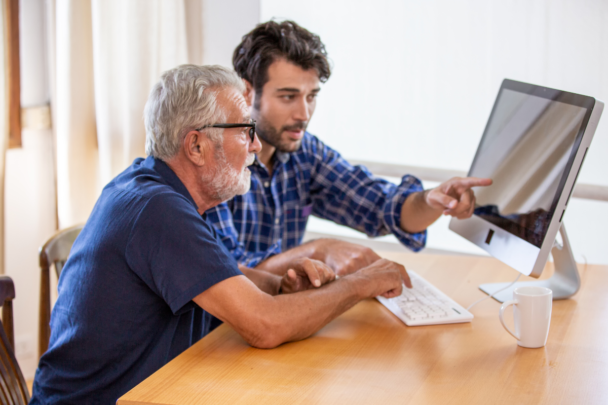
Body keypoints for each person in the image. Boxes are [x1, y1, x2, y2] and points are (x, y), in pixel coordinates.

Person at [30, 65, 411, 404]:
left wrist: (278, 285)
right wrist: (360, 284)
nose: (257, 145)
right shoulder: (158, 210)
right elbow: (266, 326)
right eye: (246, 131)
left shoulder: (156, 190)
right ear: (196, 145)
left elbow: (215, 277)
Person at [205, 20, 491, 276]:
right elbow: (230, 274)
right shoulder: (213, 163)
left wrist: (431, 200)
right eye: (288, 96)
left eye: (311, 96)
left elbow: (382, 207)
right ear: (246, 92)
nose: (304, 113)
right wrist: (318, 250)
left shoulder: (304, 154)